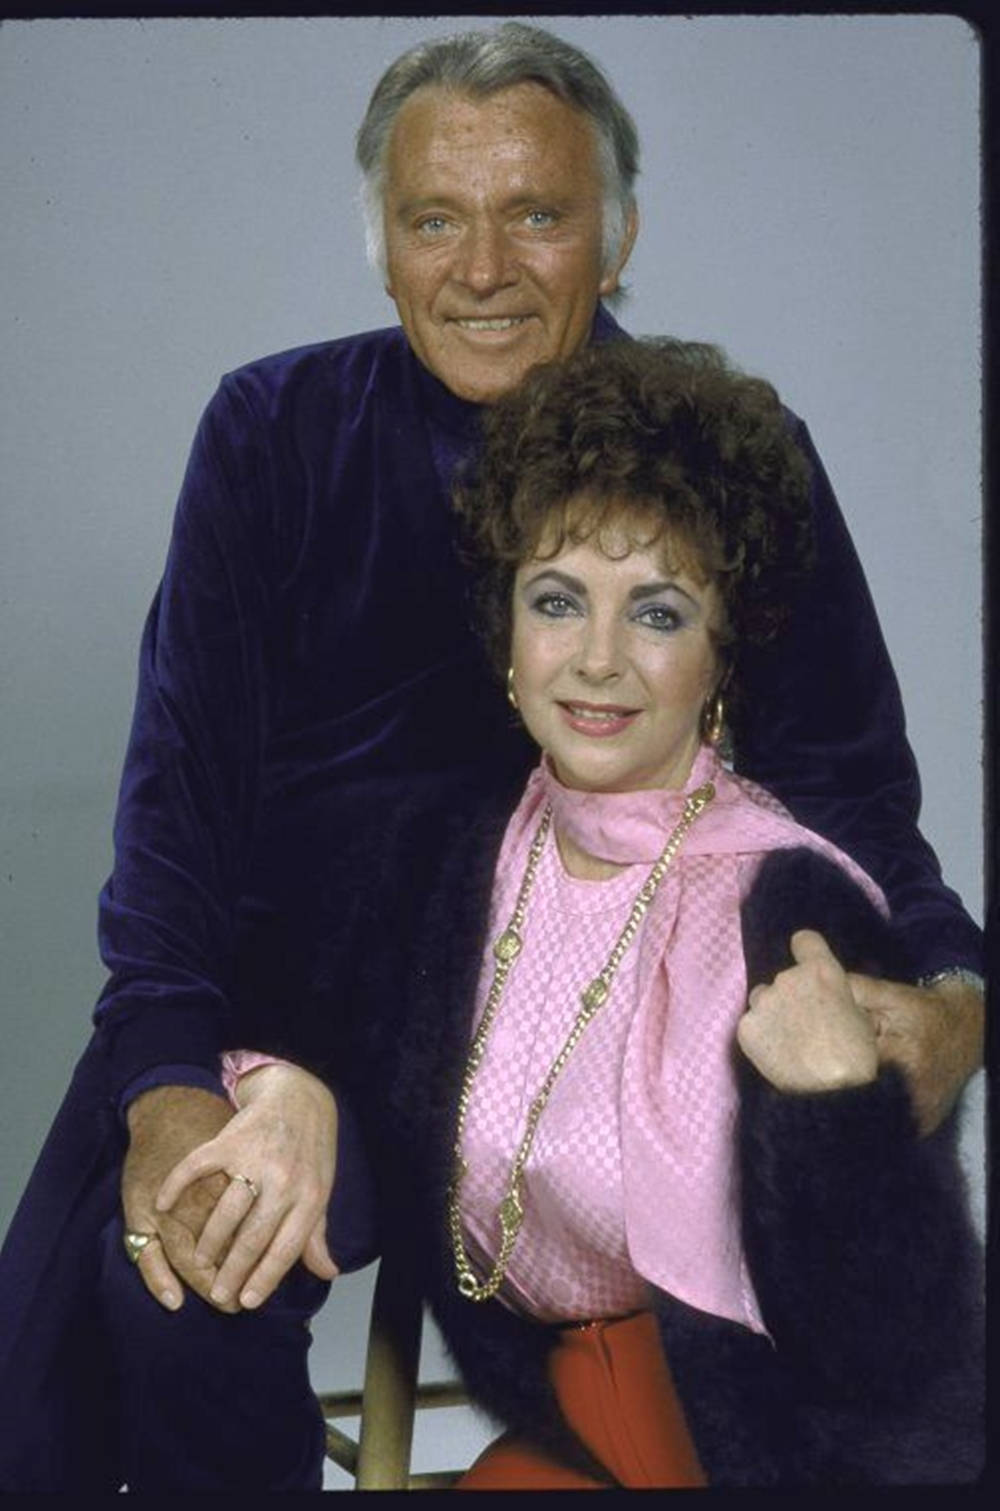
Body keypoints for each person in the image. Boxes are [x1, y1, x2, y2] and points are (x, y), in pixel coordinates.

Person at [0, 22, 983, 1493]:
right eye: (433, 219)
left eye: (536, 212)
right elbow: (177, 813)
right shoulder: (272, 434)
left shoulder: (726, 452)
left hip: (557, 1044)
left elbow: (849, 790)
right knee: (156, 1308)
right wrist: (170, 1082)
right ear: (383, 243)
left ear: (620, 228)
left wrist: (958, 990)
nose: (482, 268)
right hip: (276, 1010)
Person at [212, 337, 985, 1487]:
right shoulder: (451, 858)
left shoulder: (794, 898)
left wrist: (834, 1110)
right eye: (559, 601)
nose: (599, 659)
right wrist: (284, 1077)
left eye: (660, 613)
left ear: (725, 655)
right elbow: (276, 974)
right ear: (507, 640)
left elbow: (901, 1348)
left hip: (783, 1462)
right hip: (576, 1432)